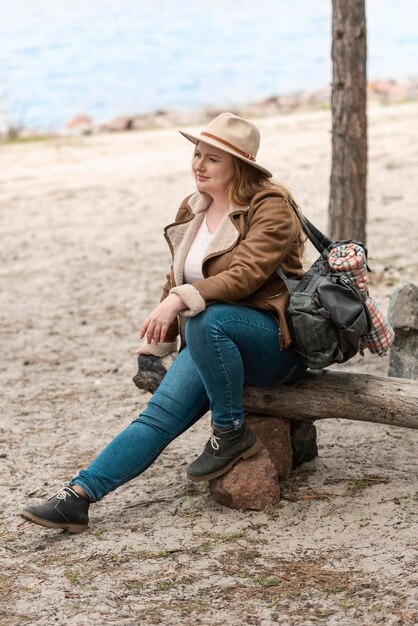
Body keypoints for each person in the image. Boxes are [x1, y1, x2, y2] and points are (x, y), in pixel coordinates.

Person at [20, 112, 307, 533]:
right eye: (197, 154)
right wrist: (156, 345)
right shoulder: (195, 208)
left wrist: (179, 302)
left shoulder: (271, 209)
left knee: (207, 320)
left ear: (239, 167)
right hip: (210, 339)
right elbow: (176, 279)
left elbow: (244, 275)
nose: (199, 164)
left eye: (213, 159)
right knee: (157, 416)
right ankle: (77, 498)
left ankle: (230, 433)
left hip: (274, 345)